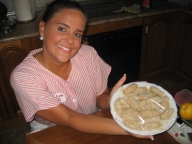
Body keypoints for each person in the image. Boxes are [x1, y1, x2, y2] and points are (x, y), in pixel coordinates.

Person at [10, 0, 153, 140]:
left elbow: (99, 97)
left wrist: (111, 100)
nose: (70, 40)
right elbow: (70, 117)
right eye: (62, 29)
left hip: (95, 121)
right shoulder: (23, 77)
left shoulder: (88, 54)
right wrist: (129, 128)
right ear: (42, 28)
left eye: (77, 34)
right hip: (52, 132)